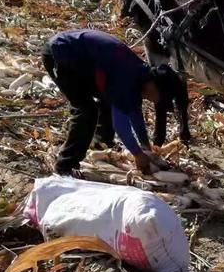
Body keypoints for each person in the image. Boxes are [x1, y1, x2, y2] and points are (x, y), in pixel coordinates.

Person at [41, 29, 187, 175]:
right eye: (162, 98)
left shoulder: (140, 76)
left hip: (84, 60)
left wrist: (145, 146)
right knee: (86, 110)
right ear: (154, 87)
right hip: (60, 54)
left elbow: (135, 114)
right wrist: (137, 154)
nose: (159, 102)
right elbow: (121, 126)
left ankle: (101, 144)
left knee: (108, 99)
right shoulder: (125, 78)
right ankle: (65, 166)